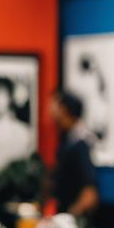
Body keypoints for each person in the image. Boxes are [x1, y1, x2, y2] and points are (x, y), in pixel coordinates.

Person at [47, 89, 100, 219]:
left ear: (64, 109)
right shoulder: (67, 139)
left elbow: (90, 193)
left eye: (55, 105)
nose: (50, 109)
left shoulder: (80, 143)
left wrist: (71, 216)